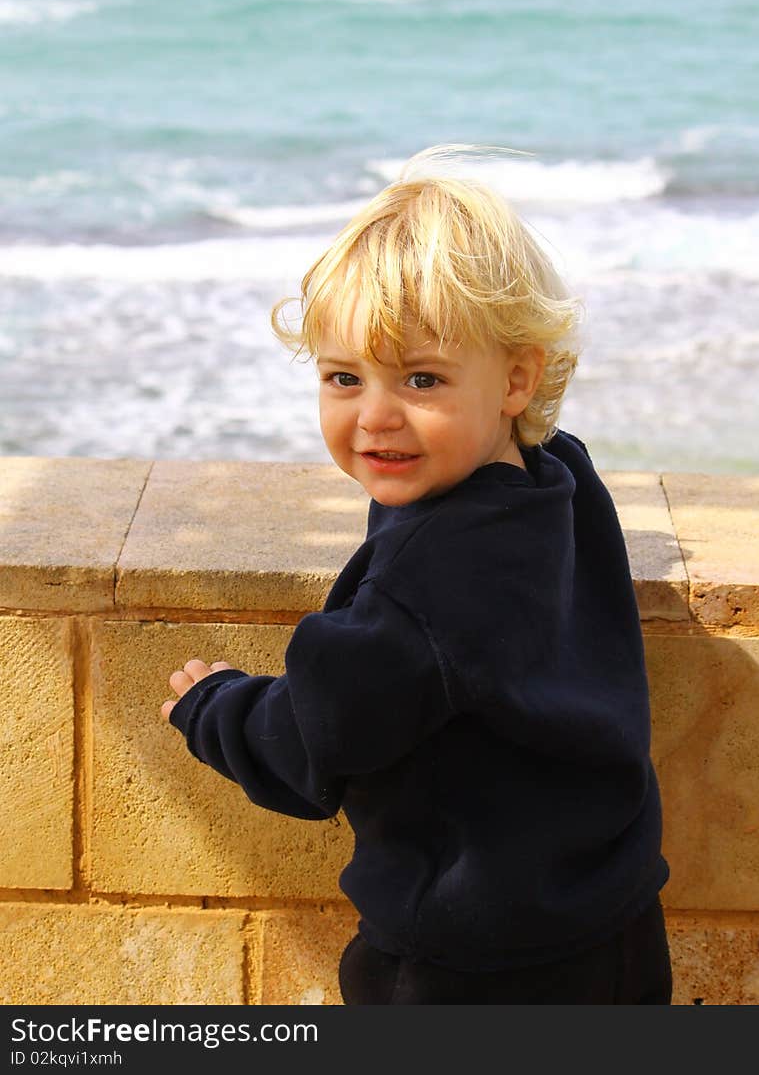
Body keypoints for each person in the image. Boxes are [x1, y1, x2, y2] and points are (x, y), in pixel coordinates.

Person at [161, 145, 672, 1005]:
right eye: (343, 378)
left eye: (422, 379)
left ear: (518, 378)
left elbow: (318, 733)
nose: (376, 417)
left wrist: (214, 707)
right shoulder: (556, 478)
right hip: (611, 916)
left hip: (473, 966)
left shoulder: (430, 587)